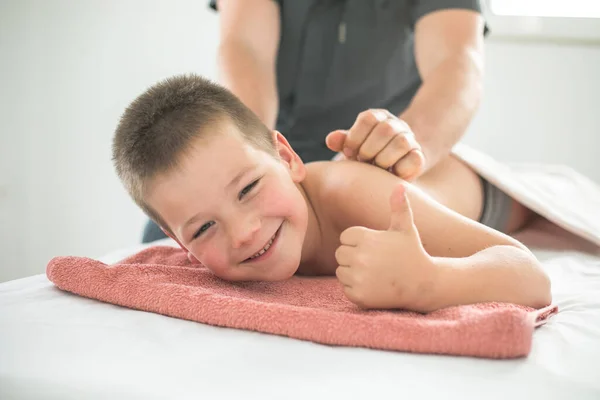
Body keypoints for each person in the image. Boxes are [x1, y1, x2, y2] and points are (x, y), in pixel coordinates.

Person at [113, 74, 551, 313]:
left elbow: (530, 276)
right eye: (204, 227)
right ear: (179, 245)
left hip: (489, 197)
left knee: (540, 211)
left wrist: (428, 282)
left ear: (287, 159)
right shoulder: (228, 252)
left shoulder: (356, 197)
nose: (244, 233)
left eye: (248, 188)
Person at [141, 0, 490, 242]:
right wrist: (250, 157)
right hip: (269, 151)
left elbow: (458, 62)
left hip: (376, 158)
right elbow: (245, 47)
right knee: (159, 251)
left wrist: (405, 147)